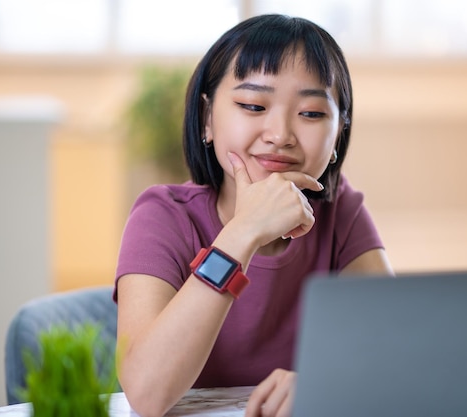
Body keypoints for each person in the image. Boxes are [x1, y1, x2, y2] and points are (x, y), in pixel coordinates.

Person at [114, 14, 393, 417]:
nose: (280, 134)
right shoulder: (162, 216)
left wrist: (327, 381)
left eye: (312, 113)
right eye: (252, 105)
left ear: (339, 134)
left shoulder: (341, 211)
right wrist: (243, 232)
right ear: (207, 118)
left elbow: (398, 355)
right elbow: (146, 393)